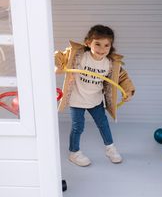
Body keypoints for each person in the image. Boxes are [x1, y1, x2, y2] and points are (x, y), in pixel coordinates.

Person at [55, 24, 135, 167]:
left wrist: (128, 91)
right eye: (97, 44)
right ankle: (74, 152)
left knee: (103, 124)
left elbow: (122, 77)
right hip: (77, 99)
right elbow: (58, 56)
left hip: (95, 100)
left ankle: (110, 149)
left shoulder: (110, 63)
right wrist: (59, 65)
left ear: (111, 47)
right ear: (88, 43)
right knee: (77, 127)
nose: (101, 49)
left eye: (106, 45)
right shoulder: (79, 55)